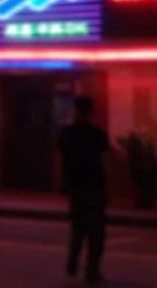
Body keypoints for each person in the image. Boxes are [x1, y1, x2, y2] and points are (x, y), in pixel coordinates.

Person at [58, 96, 110, 284]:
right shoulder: (98, 134)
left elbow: (60, 159)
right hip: (95, 185)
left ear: (75, 110)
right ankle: (92, 270)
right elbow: (105, 163)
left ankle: (72, 263)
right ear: (91, 112)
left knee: (77, 227)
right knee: (96, 231)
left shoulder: (67, 133)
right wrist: (109, 186)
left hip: (75, 186)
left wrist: (61, 181)